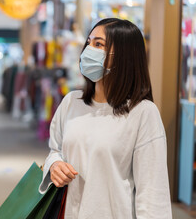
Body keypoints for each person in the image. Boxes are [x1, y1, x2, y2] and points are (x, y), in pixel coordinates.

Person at [39, 18, 172, 218]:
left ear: (123, 56)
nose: (88, 50)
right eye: (89, 42)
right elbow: (55, 151)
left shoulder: (143, 113)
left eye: (98, 44)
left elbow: (153, 193)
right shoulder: (71, 102)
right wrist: (54, 165)